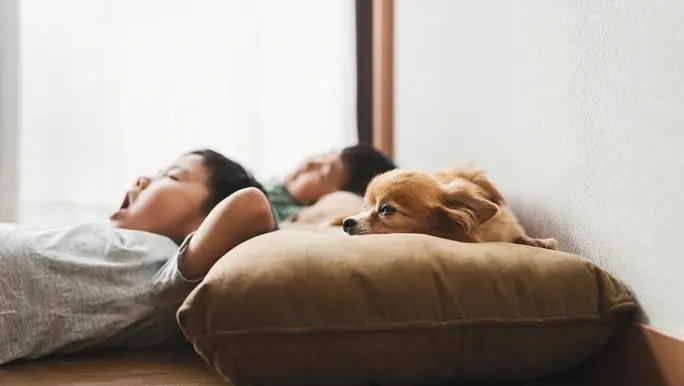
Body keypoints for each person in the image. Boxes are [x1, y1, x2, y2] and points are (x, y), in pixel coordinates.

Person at [0, 148, 277, 365]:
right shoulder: (128, 244)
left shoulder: (167, 267)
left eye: (171, 176)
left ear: (207, 223)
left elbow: (251, 206)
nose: (142, 179)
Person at [264, 144, 397, 222]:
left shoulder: (287, 213)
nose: (310, 163)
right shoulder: (274, 185)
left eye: (322, 173)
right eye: (323, 156)